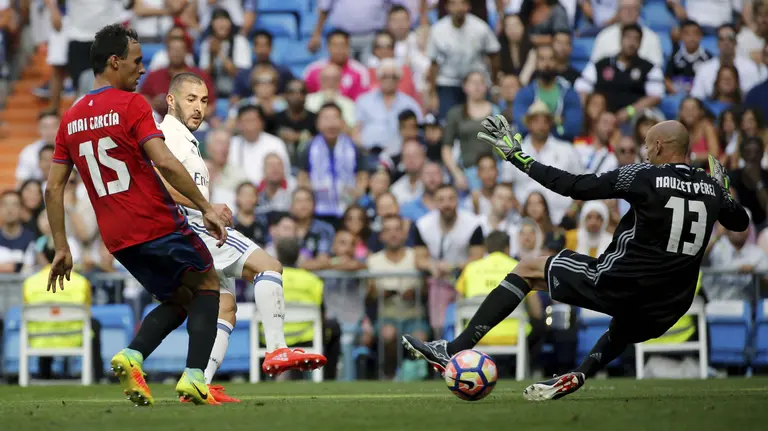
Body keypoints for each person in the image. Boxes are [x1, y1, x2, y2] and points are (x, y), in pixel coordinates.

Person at [403, 115, 749, 400]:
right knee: (623, 327)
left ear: (659, 146)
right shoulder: (710, 187)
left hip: (624, 281)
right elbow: (740, 221)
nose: (645, 153)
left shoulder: (644, 175)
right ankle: (580, 374)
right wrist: (722, 191)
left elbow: (576, 186)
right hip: (671, 304)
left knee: (528, 268)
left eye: (646, 146)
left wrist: (519, 158)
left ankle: (454, 348)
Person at [46, 24, 231, 406]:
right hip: (156, 221)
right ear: (114, 62)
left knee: (180, 299)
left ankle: (132, 356)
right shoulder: (132, 105)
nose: (142, 69)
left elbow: (53, 188)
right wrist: (206, 207)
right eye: (137, 61)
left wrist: (62, 247)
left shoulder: (71, 117)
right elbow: (163, 159)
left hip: (118, 238)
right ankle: (195, 378)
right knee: (209, 285)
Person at [156, 72, 327, 401]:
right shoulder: (170, 137)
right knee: (269, 266)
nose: (198, 108)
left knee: (226, 308)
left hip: (186, 233)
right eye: (190, 99)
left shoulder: (185, 139)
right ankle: (277, 349)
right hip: (195, 230)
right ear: (171, 100)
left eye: (204, 101)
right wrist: (207, 207)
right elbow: (158, 187)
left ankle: (198, 385)